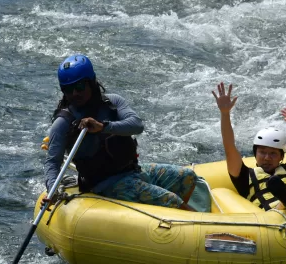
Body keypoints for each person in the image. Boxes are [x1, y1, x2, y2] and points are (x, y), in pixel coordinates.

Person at [44, 54, 198, 211]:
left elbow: (137, 125)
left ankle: (169, 222)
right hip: (107, 185)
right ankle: (182, 215)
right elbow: (53, 162)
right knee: (171, 200)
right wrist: (52, 191)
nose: (75, 94)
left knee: (187, 177)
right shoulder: (63, 123)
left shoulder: (112, 103)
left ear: (91, 82)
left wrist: (103, 127)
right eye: (68, 89)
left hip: (133, 171)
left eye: (80, 87)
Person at [213, 74, 286, 212]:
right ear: (255, 153)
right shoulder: (244, 177)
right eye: (262, 152)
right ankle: (284, 203)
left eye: (273, 153)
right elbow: (229, 146)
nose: (267, 158)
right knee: (279, 206)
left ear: (282, 156)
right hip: (271, 222)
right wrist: (224, 113)